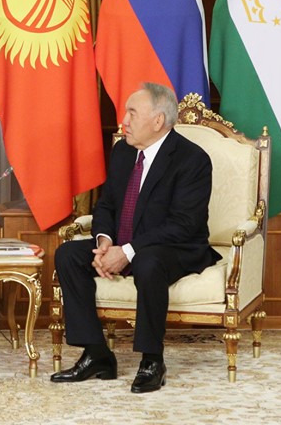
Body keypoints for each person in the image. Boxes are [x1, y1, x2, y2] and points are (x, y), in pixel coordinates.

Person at [50, 82, 220, 393]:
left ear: (158, 121)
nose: (123, 121)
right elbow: (107, 205)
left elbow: (184, 225)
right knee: (68, 254)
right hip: (124, 243)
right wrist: (104, 242)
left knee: (148, 262)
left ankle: (152, 360)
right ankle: (97, 353)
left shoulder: (192, 159)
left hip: (174, 247)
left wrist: (126, 251)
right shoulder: (123, 151)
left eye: (132, 113)